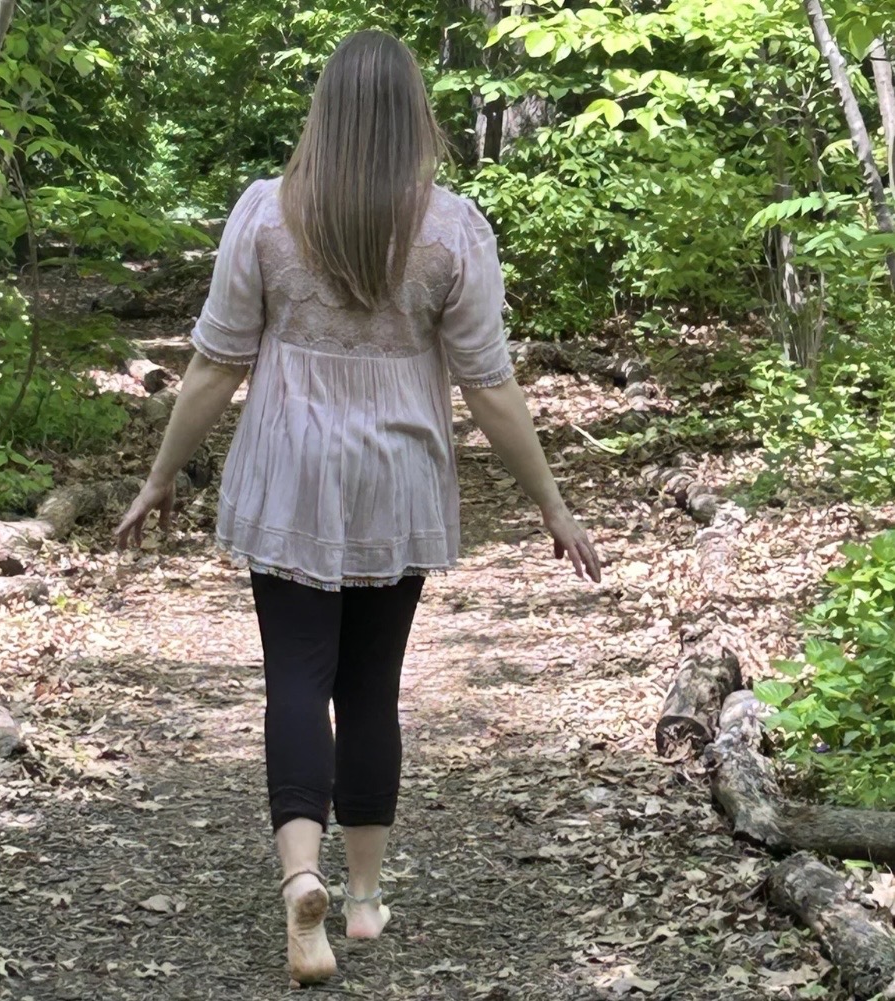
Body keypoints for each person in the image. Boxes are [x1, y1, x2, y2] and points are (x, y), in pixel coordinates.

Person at [115, 28, 601, 987]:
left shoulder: (266, 214)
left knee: (296, 675)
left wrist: (162, 472)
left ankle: (303, 875)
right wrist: (552, 501)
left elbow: (217, 362)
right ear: (413, 117)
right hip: (397, 473)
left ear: (325, 111)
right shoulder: (451, 228)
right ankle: (367, 897)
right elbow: (490, 385)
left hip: (290, 471)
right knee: (372, 682)